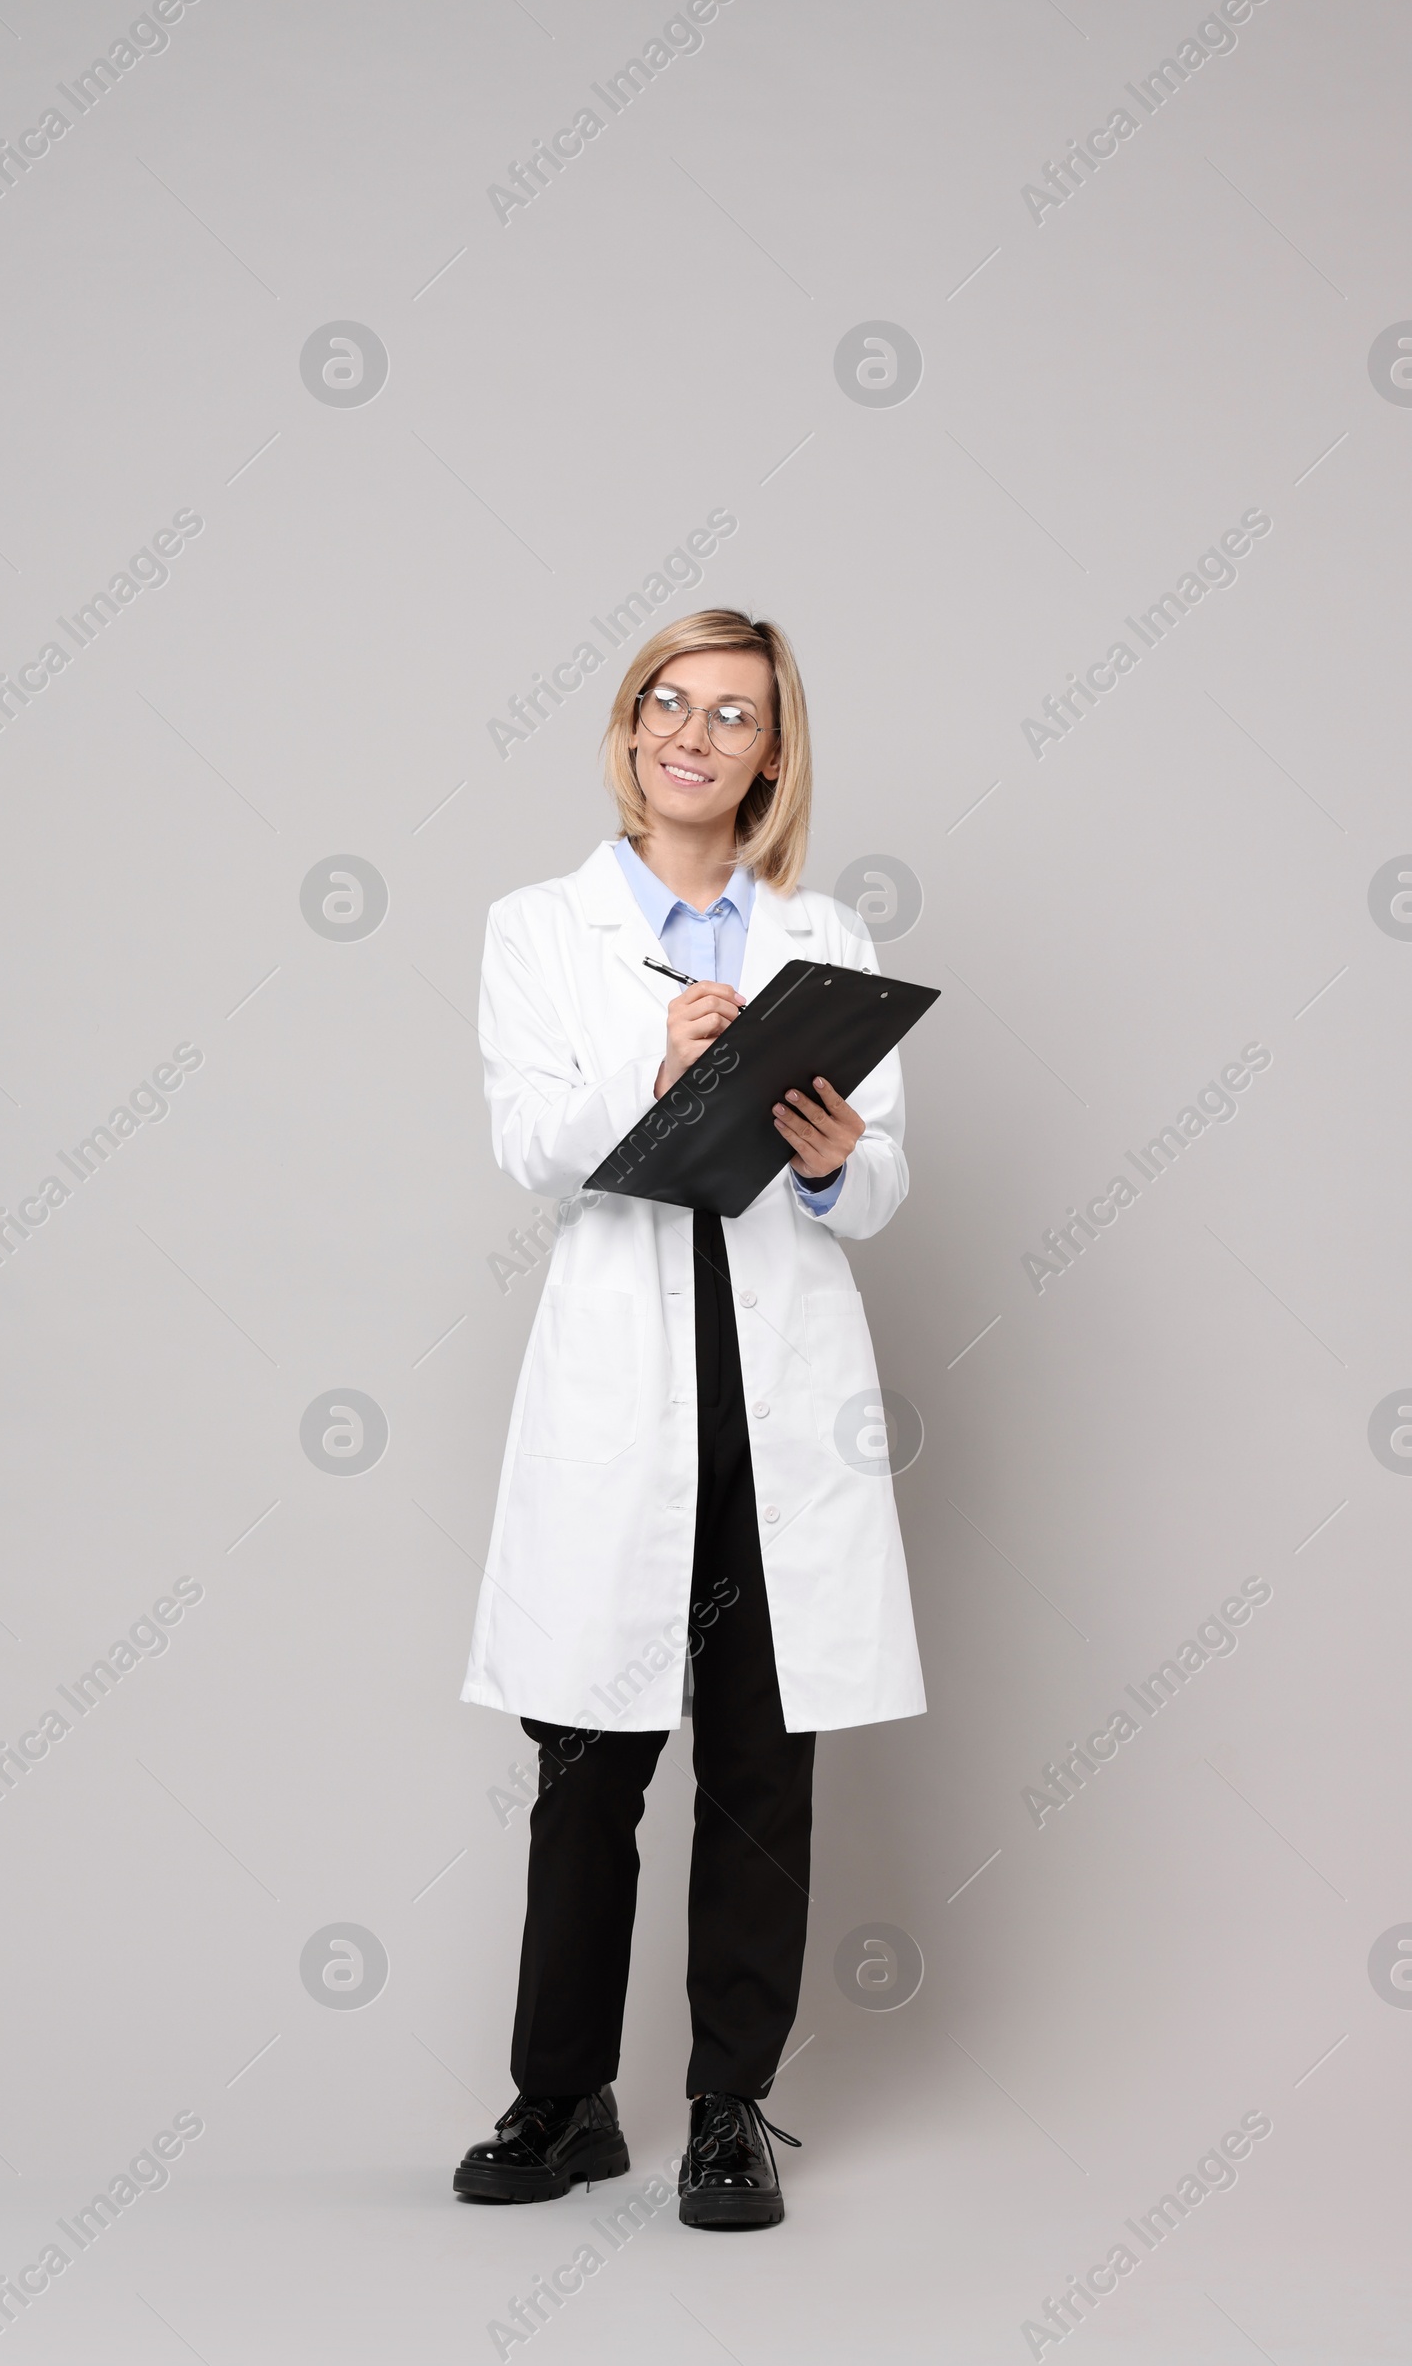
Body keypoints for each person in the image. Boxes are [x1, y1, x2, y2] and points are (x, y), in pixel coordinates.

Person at [453, 608, 925, 2229]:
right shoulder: (540, 927)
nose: (692, 734)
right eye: (668, 702)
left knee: (759, 1763)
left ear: (771, 756)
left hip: (778, 1402)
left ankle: (732, 2108)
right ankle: (561, 2096)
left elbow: (880, 1191)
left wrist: (825, 1155)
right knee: (588, 1759)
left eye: (733, 715)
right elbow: (527, 1138)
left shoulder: (830, 934)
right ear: (628, 726)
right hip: (621, 1400)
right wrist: (652, 1074)